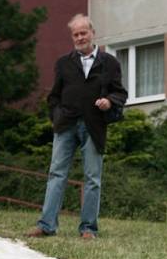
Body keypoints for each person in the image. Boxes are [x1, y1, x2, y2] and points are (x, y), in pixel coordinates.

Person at [27, 14, 127, 240]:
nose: (80, 37)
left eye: (84, 33)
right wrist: (57, 117)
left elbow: (120, 93)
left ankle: (88, 228)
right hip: (66, 125)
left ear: (92, 33)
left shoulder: (109, 63)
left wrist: (109, 101)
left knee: (92, 178)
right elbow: (53, 97)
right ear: (73, 37)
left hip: (94, 125)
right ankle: (46, 225)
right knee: (56, 174)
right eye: (76, 34)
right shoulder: (63, 63)